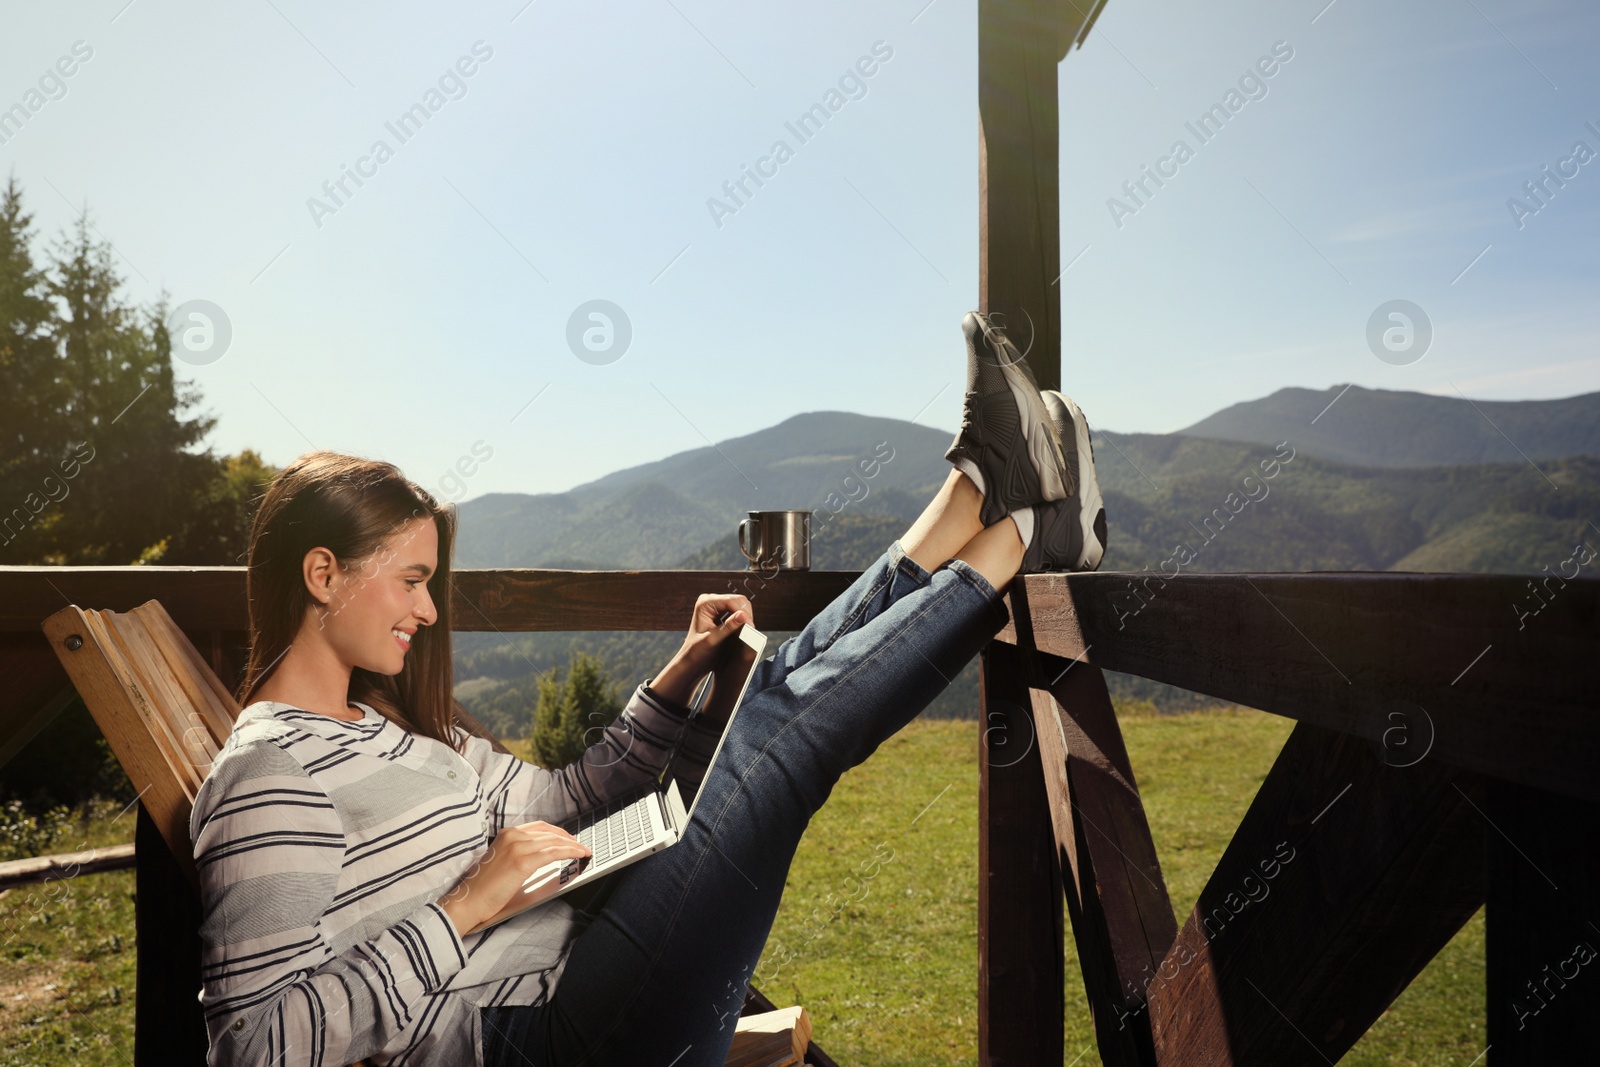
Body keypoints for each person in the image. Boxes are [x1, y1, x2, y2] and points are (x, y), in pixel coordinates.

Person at [190, 311, 1106, 1067]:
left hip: (578, 959)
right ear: (322, 575)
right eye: (410, 580)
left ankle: (982, 496)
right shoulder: (269, 773)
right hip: (534, 1041)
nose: (427, 611)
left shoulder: (382, 728)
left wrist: (678, 677)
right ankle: (1028, 526)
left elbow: (563, 799)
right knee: (777, 746)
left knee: (760, 692)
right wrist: (464, 905)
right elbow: (254, 1046)